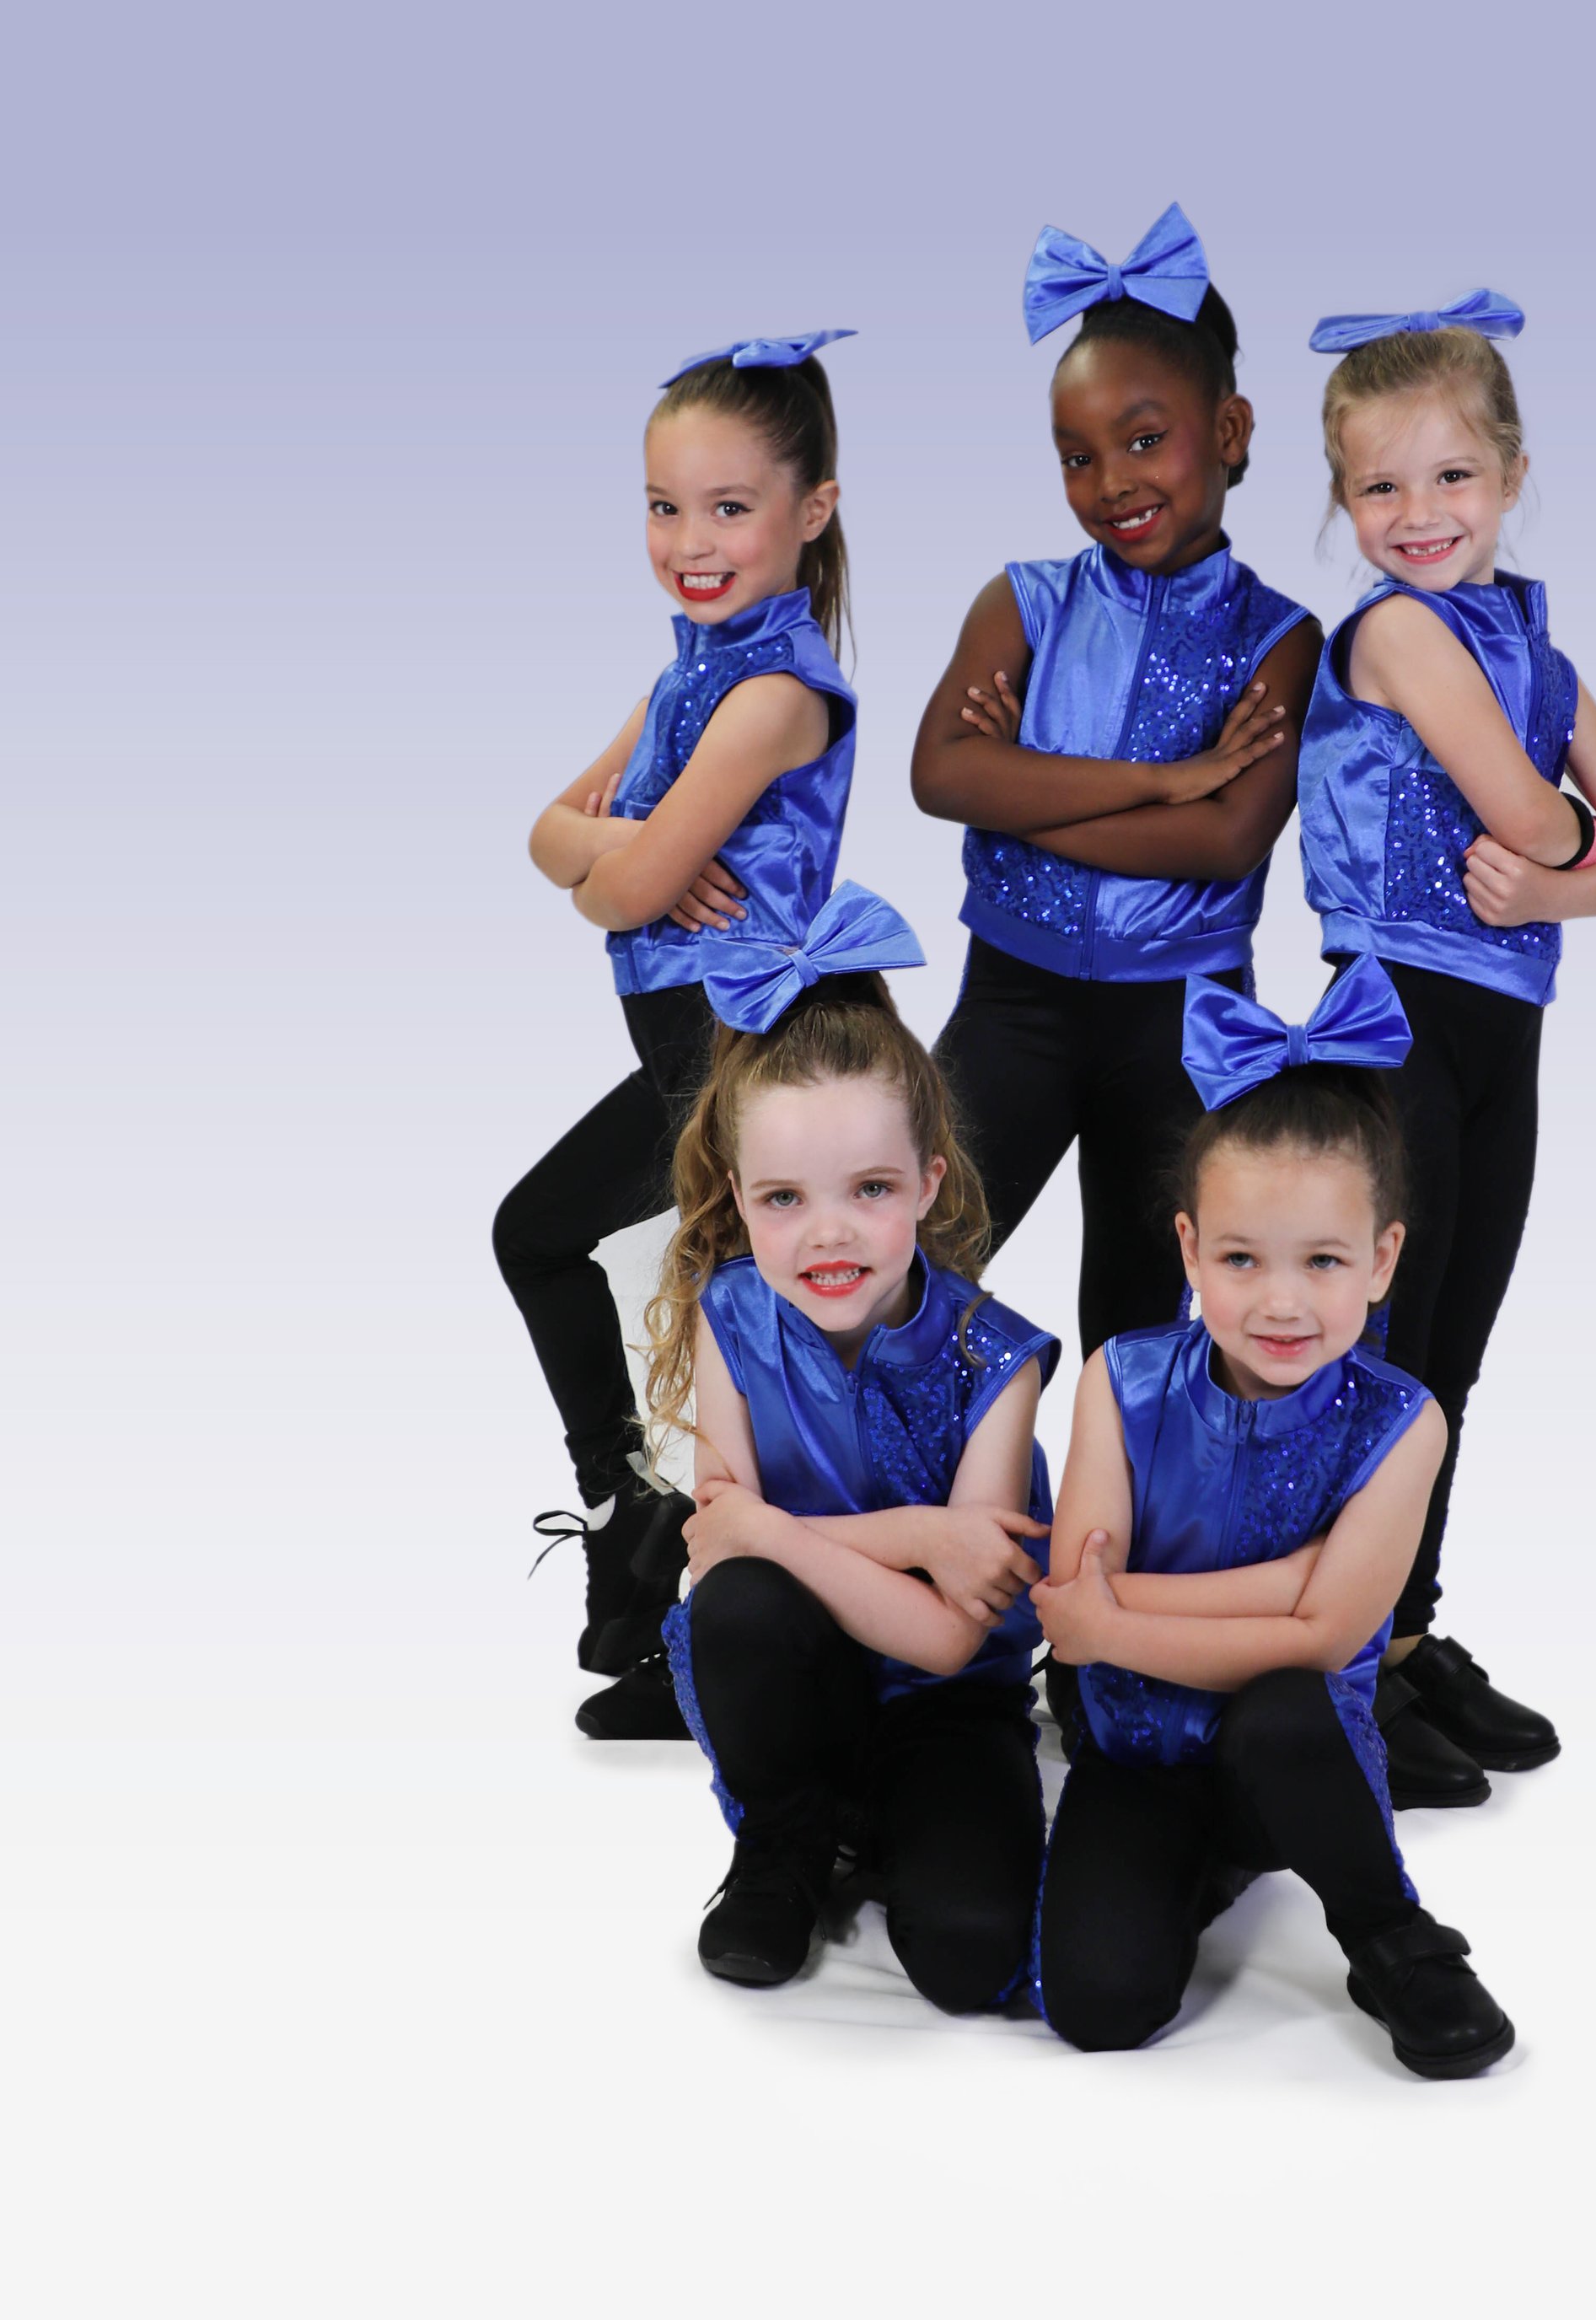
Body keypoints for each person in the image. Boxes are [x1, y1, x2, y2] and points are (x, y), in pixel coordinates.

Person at [1298, 293, 1596, 1807]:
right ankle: (1335, 1660)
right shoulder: (1395, 629)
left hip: (1499, 1037)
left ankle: (1403, 1635)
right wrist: (1573, 845)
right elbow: (1538, 814)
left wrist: (1554, 889)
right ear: (1343, 499)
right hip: (1393, 1020)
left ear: (1513, 476)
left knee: (1451, 1351)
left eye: (1453, 475)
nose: (1418, 513)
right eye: (1380, 485)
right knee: (1384, 1354)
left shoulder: (1540, 654)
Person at [1030, 966, 1516, 2076]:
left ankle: (1390, 1933)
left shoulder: (1403, 1422)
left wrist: (1114, 1622)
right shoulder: (1123, 1378)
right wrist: (1291, 1579)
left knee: (1284, 1709)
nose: (1282, 1301)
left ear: (1381, 1260)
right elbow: (1074, 1599)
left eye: (1324, 1261)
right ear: (1190, 1249)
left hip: (1289, 1748)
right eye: (1241, 1258)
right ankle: (1198, 1863)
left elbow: (1320, 1639)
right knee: (1097, 2007)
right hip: (1140, 1744)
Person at [492, 333, 857, 1739]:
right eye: (664, 506)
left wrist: (618, 854)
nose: (690, 541)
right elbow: (547, 838)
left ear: (811, 510)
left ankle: (751, 1638)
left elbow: (616, 890)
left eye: (728, 507)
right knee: (539, 1235)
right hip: (680, 1060)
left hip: (750, 1062)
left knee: (745, 1351)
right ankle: (631, 1521)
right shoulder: (681, 681)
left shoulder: (773, 695)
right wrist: (624, 845)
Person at [907, 202, 1321, 1358]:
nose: (1109, 482)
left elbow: (1227, 841)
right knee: (914, 1266)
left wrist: (1022, 790)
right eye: (1077, 456)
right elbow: (940, 773)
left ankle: (1109, 1483)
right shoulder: (1024, 601)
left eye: (1144, 440)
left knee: (1137, 1326)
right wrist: (1163, 781)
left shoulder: (1283, 639)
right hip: (1014, 1004)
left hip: (1182, 1023)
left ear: (1229, 429)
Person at [650, 888, 1056, 2008]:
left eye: (870, 1189)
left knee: (970, 1960)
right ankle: (789, 1831)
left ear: (928, 1183)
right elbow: (722, 1564)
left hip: (947, 1701)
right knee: (743, 1605)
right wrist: (924, 1534)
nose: (827, 1233)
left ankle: (887, 1820)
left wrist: (768, 1527)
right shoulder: (731, 1313)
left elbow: (945, 1636)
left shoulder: (998, 1357)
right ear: (740, 1196)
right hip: (800, 1672)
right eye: (784, 1197)